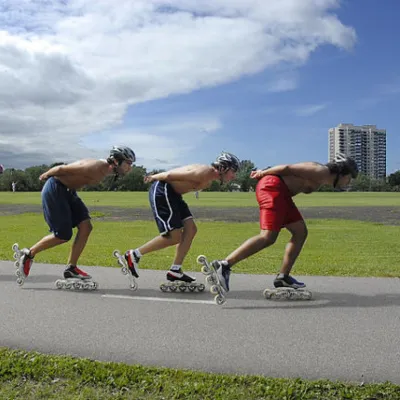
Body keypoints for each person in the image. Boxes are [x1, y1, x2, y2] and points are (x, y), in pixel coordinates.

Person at [211, 153, 359, 293]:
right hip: (272, 187)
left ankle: (283, 277)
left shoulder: (322, 178)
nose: (348, 182)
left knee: (300, 232)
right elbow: (287, 168)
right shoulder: (319, 170)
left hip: (283, 194)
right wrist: (262, 173)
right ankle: (224, 265)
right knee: (268, 237)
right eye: (349, 178)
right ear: (342, 173)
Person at [14, 146, 136, 285]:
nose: (129, 168)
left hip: (69, 192)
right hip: (56, 188)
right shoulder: (95, 166)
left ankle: (71, 269)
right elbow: (61, 169)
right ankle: (29, 254)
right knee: (62, 235)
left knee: (86, 226)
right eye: (128, 163)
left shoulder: (106, 170)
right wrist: (45, 175)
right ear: (116, 161)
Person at [121, 152, 240, 284]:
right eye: (233, 171)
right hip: (163, 189)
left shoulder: (208, 180)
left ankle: (175, 270)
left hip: (175, 196)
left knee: (191, 229)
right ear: (223, 167)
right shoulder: (204, 172)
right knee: (174, 236)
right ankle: (134, 255)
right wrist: (153, 177)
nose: (234, 176)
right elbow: (169, 175)